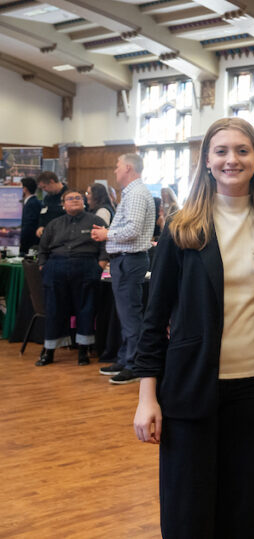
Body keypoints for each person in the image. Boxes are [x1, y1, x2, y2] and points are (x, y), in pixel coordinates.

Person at [132, 117, 254, 539]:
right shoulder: (183, 229)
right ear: (205, 161)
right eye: (221, 151)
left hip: (253, 394)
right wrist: (148, 397)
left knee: (241, 513)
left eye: (242, 150)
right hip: (190, 390)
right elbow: (153, 319)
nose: (231, 159)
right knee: (188, 515)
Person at [90, 154, 156, 385]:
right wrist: (107, 233)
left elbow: (133, 230)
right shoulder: (132, 192)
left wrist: (107, 234)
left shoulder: (136, 193)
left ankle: (135, 365)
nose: (115, 171)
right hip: (125, 260)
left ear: (128, 168)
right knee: (126, 315)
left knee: (130, 316)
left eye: (117, 167)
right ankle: (126, 358)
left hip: (129, 260)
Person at [34, 190, 106, 366]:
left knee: (86, 309)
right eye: (70, 198)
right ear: (63, 204)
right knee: (54, 310)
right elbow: (42, 248)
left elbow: (105, 245)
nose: (74, 200)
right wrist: (44, 266)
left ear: (84, 202)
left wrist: (100, 266)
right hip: (56, 267)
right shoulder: (54, 224)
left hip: (86, 266)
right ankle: (49, 351)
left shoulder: (96, 222)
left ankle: (83, 352)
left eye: (78, 198)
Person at [35, 171, 67, 237]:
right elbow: (43, 213)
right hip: (48, 235)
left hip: (63, 234)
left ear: (52, 182)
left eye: (44, 187)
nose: (44, 190)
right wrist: (41, 226)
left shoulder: (69, 195)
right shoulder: (47, 198)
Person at [19, 177, 41, 255]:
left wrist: (21, 240)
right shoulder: (30, 202)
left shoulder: (32, 203)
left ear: (25, 189)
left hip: (29, 244)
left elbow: (29, 225)